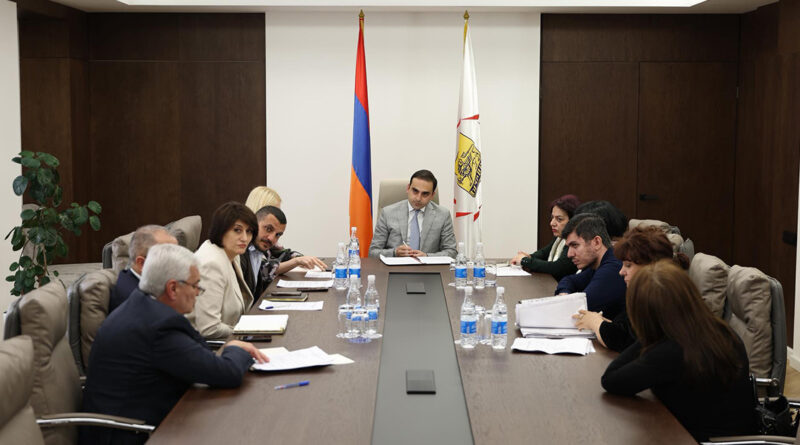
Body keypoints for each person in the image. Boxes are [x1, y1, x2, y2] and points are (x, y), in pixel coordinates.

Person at [79, 244, 267, 445]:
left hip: (143, 419)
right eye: (195, 285)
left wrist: (227, 352)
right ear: (173, 288)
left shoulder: (143, 303)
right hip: (131, 435)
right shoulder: (159, 327)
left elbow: (202, 354)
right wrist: (235, 349)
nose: (198, 293)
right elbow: (227, 373)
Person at [601, 260, 756, 441]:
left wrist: (649, 334)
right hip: (733, 434)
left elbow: (611, 379)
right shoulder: (718, 328)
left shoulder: (671, 351)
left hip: (700, 440)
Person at [573, 226, 690, 351]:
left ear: (650, 266)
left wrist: (595, 322)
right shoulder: (645, 294)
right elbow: (623, 327)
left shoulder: (659, 300)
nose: (621, 272)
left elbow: (623, 340)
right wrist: (597, 320)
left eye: (628, 265)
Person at [187, 202, 257, 339]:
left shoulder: (232, 254)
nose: (244, 238)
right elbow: (208, 328)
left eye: (249, 231)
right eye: (237, 230)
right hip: (211, 346)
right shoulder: (211, 263)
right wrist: (247, 331)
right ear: (221, 230)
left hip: (230, 337)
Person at [240, 205, 327, 299]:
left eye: (278, 235)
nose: (271, 238)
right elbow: (266, 270)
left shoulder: (263, 245)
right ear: (254, 223)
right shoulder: (241, 250)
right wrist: (297, 261)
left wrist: (301, 258)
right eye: (268, 229)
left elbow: (285, 254)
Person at [369, 169, 457, 258]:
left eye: (425, 194)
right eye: (415, 191)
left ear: (432, 195)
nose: (418, 198)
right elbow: (373, 253)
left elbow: (452, 252)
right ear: (408, 188)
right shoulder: (387, 213)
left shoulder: (443, 215)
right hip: (396, 265)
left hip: (427, 266)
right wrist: (394, 253)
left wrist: (427, 256)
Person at [555, 213, 626, 318]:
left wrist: (564, 301)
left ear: (596, 242)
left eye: (575, 245)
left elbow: (578, 310)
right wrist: (564, 293)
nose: (569, 254)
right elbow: (569, 280)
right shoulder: (597, 264)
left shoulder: (613, 269)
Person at [510, 194, 580, 281]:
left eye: (559, 219)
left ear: (573, 220)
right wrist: (529, 256)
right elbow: (543, 253)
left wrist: (525, 260)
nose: (552, 223)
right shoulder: (559, 237)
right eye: (552, 218)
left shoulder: (574, 242)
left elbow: (557, 267)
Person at [108, 225, 178, 312]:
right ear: (142, 263)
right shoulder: (134, 301)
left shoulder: (150, 282)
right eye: (169, 257)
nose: (178, 262)